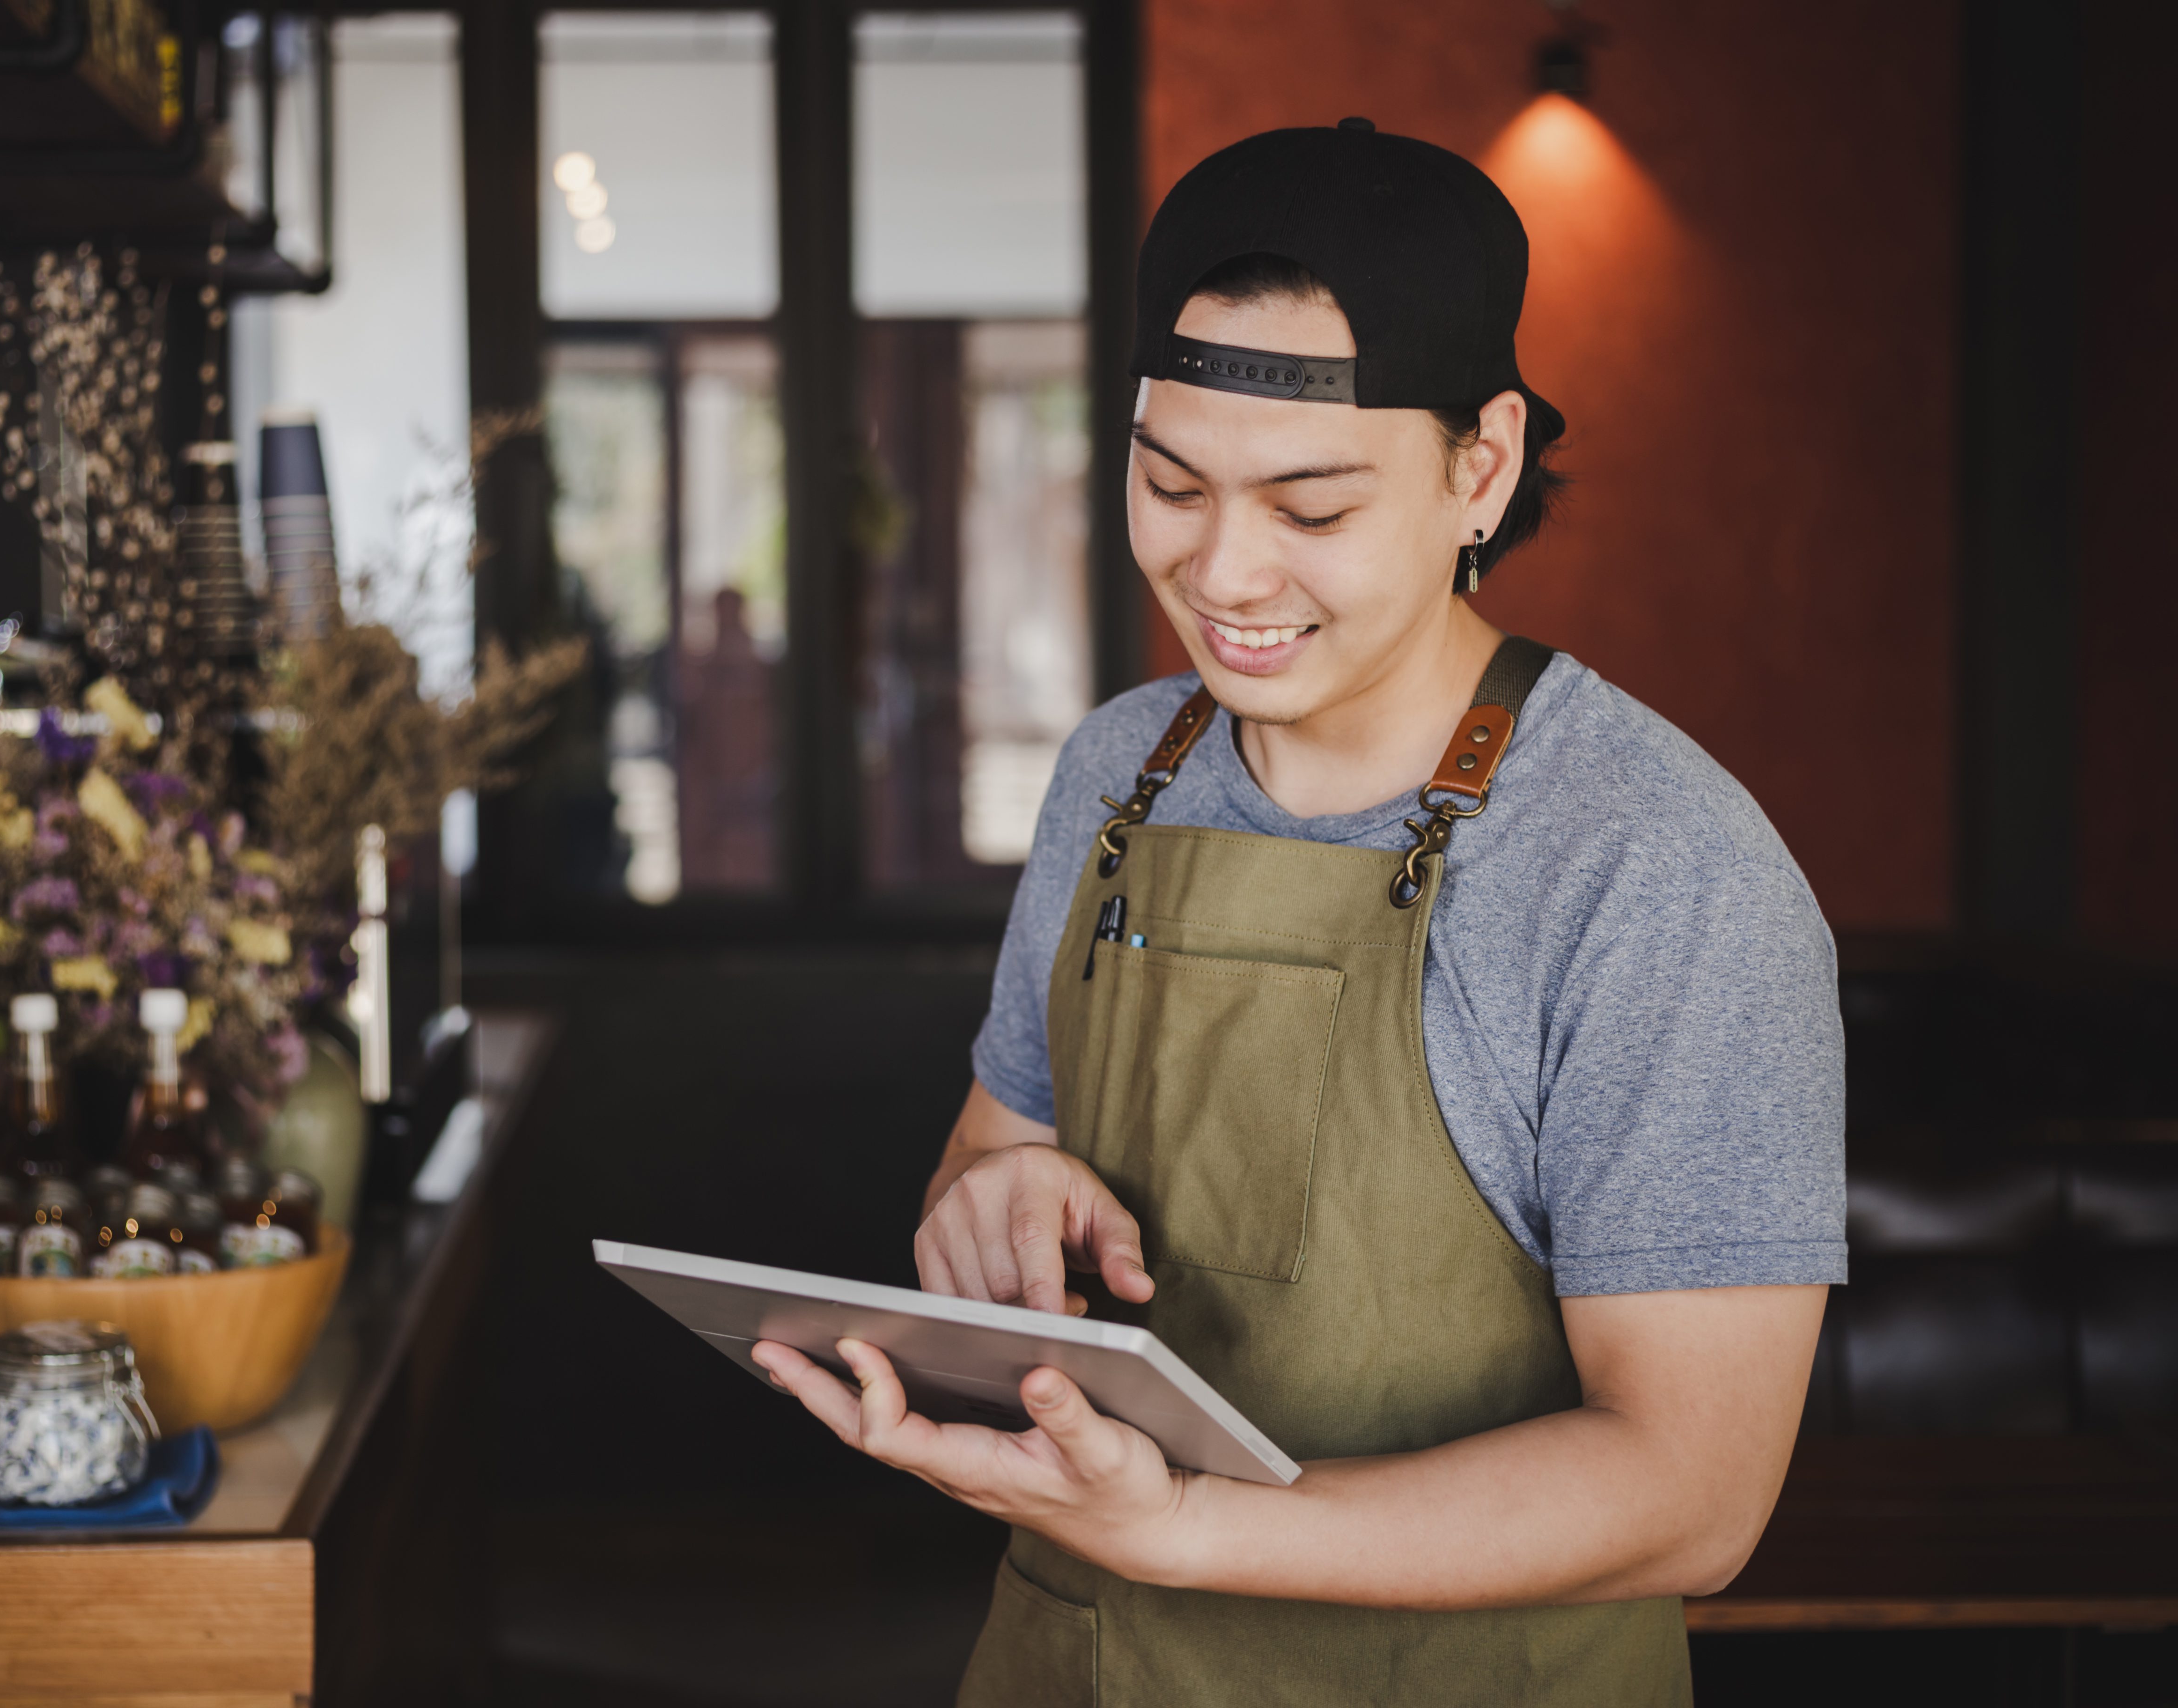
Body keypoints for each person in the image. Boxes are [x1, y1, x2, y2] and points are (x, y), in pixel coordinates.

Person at [751, 121, 1844, 1706]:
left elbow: (1695, 1493)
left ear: (1484, 465)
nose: (1225, 572)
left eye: (1312, 509)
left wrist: (1189, 1523)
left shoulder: (1653, 864)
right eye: (1171, 484)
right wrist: (989, 1205)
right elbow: (985, 1156)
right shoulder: (1117, 773)